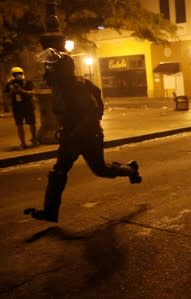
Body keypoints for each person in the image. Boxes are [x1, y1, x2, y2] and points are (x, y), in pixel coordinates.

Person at [24, 48, 142, 223]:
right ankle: (50, 212)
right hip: (70, 136)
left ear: (62, 70)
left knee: (101, 170)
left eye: (51, 67)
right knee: (58, 172)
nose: (48, 71)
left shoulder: (77, 87)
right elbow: (65, 114)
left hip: (89, 136)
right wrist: (64, 131)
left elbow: (91, 115)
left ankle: (131, 169)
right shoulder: (59, 87)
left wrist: (74, 134)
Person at [3, 66, 38, 149]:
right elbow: (6, 96)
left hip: (28, 106)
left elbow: (33, 92)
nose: (18, 76)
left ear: (22, 74)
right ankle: (22, 143)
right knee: (19, 125)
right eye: (15, 74)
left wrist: (22, 91)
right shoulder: (10, 84)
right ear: (13, 75)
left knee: (32, 123)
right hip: (17, 107)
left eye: (19, 74)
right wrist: (11, 92)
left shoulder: (27, 82)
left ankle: (34, 140)